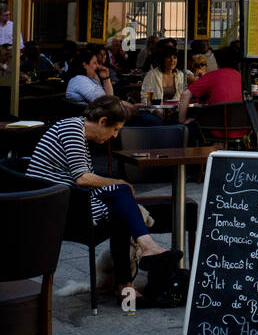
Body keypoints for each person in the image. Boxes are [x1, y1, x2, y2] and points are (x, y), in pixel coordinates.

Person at [27, 94, 180, 304]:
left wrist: (117, 186)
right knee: (121, 195)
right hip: (50, 206)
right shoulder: (72, 131)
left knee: (121, 208)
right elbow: (83, 179)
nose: (115, 136)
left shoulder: (79, 133)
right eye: (115, 129)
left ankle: (127, 282)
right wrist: (117, 183)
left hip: (65, 199)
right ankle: (143, 256)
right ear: (102, 122)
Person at [177, 47, 242, 124]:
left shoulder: (212, 76)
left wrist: (182, 121)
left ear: (218, 62)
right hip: (241, 129)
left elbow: (185, 95)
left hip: (213, 129)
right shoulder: (242, 78)